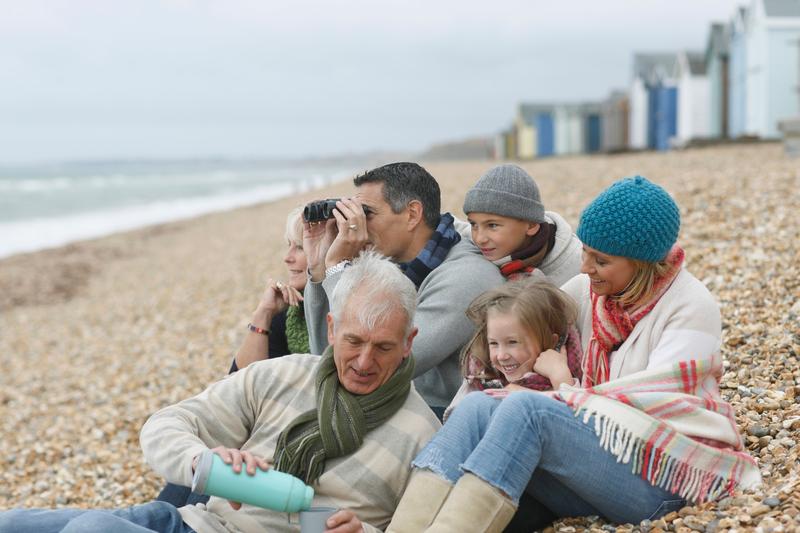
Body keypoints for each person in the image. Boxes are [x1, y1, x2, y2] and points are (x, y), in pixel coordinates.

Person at [386, 176, 761, 533]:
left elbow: (658, 405)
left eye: (600, 260)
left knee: (527, 409)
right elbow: (529, 337)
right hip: (594, 464)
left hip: (667, 477)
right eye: (584, 252)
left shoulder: (691, 306)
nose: (585, 268)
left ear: (642, 261)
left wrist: (565, 389)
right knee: (478, 406)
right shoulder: (586, 292)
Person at [0, 252, 441, 533]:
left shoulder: (424, 434)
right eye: (353, 342)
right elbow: (166, 424)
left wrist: (365, 532)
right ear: (330, 329)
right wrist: (204, 462)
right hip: (193, 521)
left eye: (383, 347)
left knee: (92, 530)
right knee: (14, 522)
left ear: (409, 341)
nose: (364, 363)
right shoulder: (282, 375)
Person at [303, 162, 504, 419]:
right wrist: (320, 268)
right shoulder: (394, 270)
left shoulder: (468, 277)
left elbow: (384, 365)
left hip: (443, 419)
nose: (358, 226)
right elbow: (327, 354)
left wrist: (337, 269)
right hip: (401, 406)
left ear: (412, 214)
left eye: (367, 213)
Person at [156, 207, 312, 508]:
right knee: (215, 447)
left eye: (300, 248)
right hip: (260, 428)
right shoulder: (291, 317)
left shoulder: (340, 317)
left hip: (288, 441)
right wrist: (264, 315)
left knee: (226, 456)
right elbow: (238, 384)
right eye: (287, 245)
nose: (287, 257)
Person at [443, 279, 583, 420]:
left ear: (551, 342)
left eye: (512, 342)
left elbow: (577, 422)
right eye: (493, 343)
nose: (501, 356)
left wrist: (560, 377)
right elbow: (458, 424)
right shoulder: (481, 376)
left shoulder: (567, 378)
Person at [463, 164, 581, 285]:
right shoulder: (472, 241)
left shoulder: (578, 266)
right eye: (473, 224)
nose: (479, 239)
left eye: (492, 225)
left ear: (531, 225)